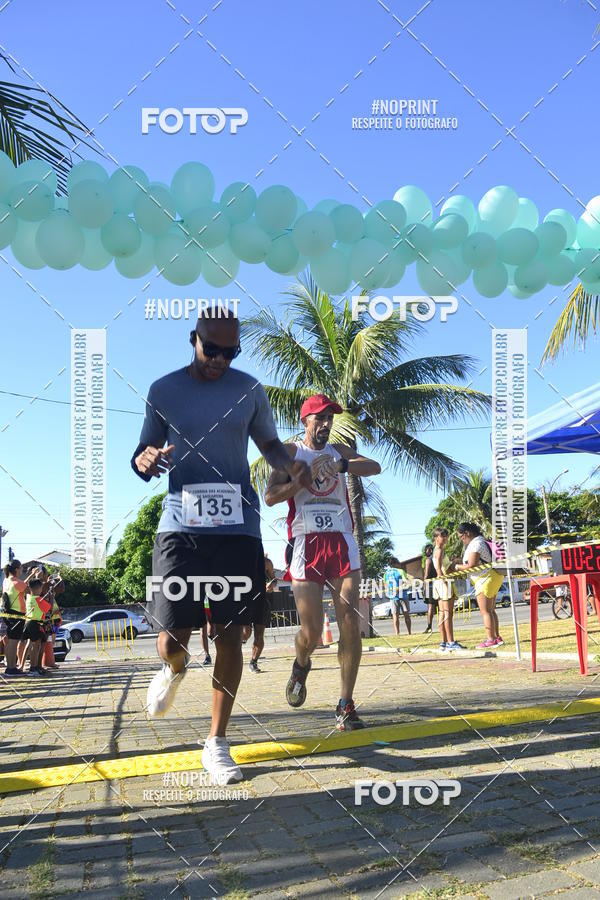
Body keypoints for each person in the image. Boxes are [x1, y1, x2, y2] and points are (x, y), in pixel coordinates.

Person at [131, 310, 311, 783]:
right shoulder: (163, 390)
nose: (220, 361)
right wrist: (145, 460)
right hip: (179, 527)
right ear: (193, 340)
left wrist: (287, 463)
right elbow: (144, 454)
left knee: (231, 635)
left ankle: (217, 742)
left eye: (230, 353)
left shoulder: (249, 389)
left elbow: (270, 444)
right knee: (172, 640)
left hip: (237, 527)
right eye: (212, 350)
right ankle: (173, 669)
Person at [265, 393, 381, 730]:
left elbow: (374, 467)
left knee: (349, 620)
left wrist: (343, 466)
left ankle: (345, 703)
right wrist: (300, 480)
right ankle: (301, 663)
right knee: (313, 632)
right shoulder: (290, 452)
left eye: (330, 418)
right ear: (305, 421)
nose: (326, 424)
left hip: (342, 541)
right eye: (320, 418)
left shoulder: (338, 450)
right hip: (305, 544)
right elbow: (270, 496)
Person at [452, 522, 503, 649]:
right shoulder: (481, 541)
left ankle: (490, 640)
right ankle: (497, 638)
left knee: (485, 611)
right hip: (491, 577)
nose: (461, 540)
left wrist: (457, 567)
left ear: (467, 533)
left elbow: (472, 565)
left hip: (484, 579)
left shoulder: (476, 544)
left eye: (461, 537)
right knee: (491, 611)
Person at [431, 528, 464, 651]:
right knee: (448, 614)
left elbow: (445, 566)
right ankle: (450, 642)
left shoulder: (440, 550)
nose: (444, 538)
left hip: (440, 582)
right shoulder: (439, 550)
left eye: (445, 535)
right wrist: (444, 582)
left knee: (442, 613)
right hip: (443, 582)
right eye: (442, 536)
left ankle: (444, 642)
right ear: (436, 538)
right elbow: (439, 568)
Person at [244, 554, 276, 674]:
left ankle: (253, 662)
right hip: (246, 599)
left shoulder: (267, 562)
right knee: (245, 632)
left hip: (264, 600)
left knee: (259, 633)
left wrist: (271, 584)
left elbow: (274, 578)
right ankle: (240, 642)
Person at [1, 559, 32, 676]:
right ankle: (11, 668)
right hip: (17, 614)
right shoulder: (17, 583)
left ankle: (10, 667)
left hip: (7, 614)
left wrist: (29, 578)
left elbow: (20, 586)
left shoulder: (6, 581)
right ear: (16, 569)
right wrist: (35, 579)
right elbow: (31, 591)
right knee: (14, 641)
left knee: (10, 641)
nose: (22, 570)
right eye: (21, 568)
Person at [22, 578, 51, 676]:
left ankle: (34, 667)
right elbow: (48, 607)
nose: (41, 590)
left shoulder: (28, 597)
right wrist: (50, 597)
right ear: (37, 589)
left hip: (29, 622)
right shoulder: (38, 599)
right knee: (35, 646)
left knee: (34, 646)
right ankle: (33, 668)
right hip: (35, 623)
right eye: (41, 588)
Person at [384, 557, 412, 636]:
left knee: (395, 615)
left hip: (393, 597)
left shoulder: (386, 573)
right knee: (406, 615)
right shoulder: (401, 571)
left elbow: (385, 585)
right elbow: (406, 582)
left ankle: (397, 633)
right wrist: (398, 588)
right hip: (403, 596)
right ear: (396, 563)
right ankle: (409, 632)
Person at [422, 544, 436, 633]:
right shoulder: (437, 558)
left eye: (427, 550)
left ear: (431, 550)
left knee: (430, 607)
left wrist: (424, 585)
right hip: (438, 583)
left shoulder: (428, 560)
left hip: (430, 585)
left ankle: (429, 626)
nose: (425, 552)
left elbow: (426, 575)